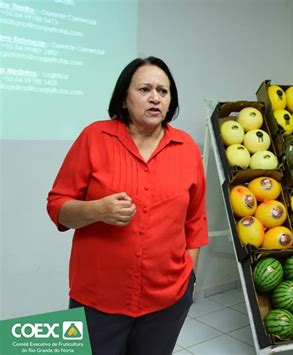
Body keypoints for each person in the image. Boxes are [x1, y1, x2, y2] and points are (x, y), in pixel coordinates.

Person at [47, 56, 208, 355]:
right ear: (124, 98)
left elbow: (195, 220)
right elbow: (57, 206)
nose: (155, 98)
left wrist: (189, 277)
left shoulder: (186, 148)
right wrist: (97, 210)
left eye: (163, 91)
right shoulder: (94, 137)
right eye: (145, 89)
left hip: (167, 300)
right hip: (98, 299)